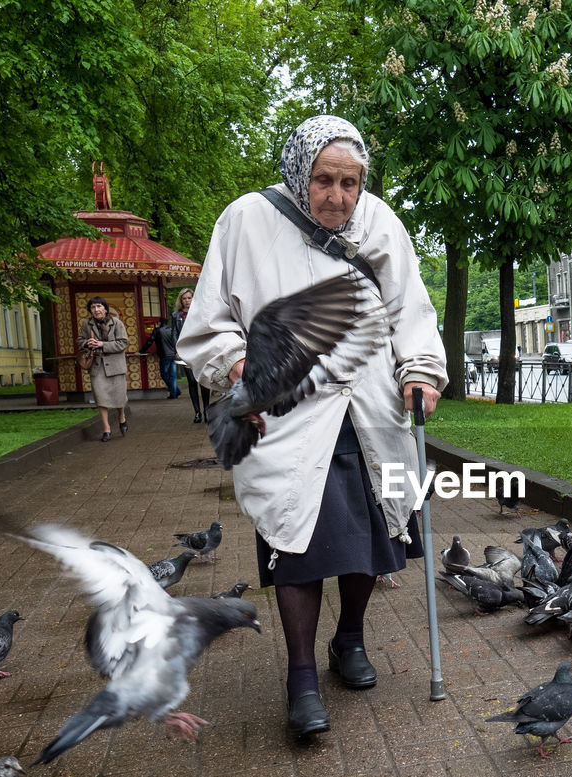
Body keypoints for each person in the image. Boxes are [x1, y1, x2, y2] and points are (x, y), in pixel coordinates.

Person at [178, 115, 448, 739]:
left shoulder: (380, 222)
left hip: (371, 408)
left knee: (371, 538)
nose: (338, 196)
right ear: (300, 173)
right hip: (289, 416)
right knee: (295, 545)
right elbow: (212, 317)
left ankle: (348, 639)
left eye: (350, 182)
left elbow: (411, 306)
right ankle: (301, 675)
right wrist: (239, 362)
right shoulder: (245, 219)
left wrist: (422, 372)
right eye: (324, 180)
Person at [80, 297, 129, 442]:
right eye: (93, 307)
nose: (96, 310)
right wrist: (87, 343)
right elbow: (79, 340)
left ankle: (122, 417)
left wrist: (102, 344)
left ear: (105, 309)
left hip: (115, 366)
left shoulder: (117, 323)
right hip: (97, 366)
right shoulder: (86, 324)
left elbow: (123, 343)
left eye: (99, 306)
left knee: (119, 397)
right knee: (100, 398)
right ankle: (106, 429)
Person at [172, 289, 208, 423]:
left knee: (203, 381)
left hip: (200, 351)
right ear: (181, 300)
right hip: (185, 352)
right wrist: (178, 350)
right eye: (184, 298)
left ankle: (207, 411)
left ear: (193, 299)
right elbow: (174, 334)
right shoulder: (176, 315)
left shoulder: (199, 313)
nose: (187, 301)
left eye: (189, 298)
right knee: (192, 382)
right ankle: (197, 412)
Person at [145, 315, 180, 398]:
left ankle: (175, 391)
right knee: (173, 376)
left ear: (159, 323)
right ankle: (174, 392)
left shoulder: (158, 331)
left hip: (165, 356)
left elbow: (150, 341)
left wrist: (141, 351)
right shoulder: (171, 330)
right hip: (173, 355)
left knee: (164, 375)